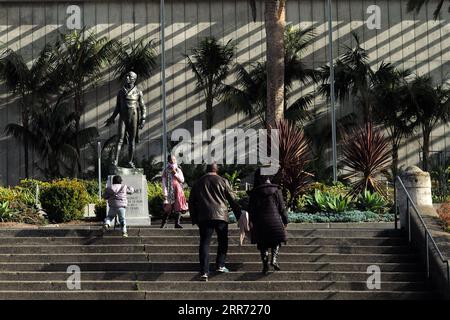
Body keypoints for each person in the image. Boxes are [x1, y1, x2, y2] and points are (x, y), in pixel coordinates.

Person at [189, 163, 242, 281]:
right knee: (223, 241)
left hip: (204, 216)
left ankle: (204, 272)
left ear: (206, 170)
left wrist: (194, 218)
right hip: (221, 216)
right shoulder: (223, 181)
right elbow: (232, 199)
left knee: (204, 243)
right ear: (216, 170)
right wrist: (239, 216)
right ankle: (220, 265)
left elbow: (191, 202)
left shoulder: (198, 182)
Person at [248, 168, 288, 274]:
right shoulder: (276, 190)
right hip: (275, 221)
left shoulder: (255, 192)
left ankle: (265, 265)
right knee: (277, 240)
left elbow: (251, 209)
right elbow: (282, 208)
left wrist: (251, 222)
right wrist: (285, 220)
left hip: (260, 223)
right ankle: (274, 259)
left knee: (262, 244)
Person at [105, 71, 146, 169]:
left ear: (134, 79)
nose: (127, 77)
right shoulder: (121, 91)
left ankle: (130, 162)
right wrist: (112, 118)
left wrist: (143, 118)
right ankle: (115, 161)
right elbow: (118, 107)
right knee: (120, 139)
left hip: (134, 117)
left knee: (132, 140)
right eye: (126, 75)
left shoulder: (138, 92)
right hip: (123, 117)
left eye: (129, 76)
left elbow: (142, 106)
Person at [161, 155, 188, 229]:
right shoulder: (166, 170)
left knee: (178, 206)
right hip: (169, 190)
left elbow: (182, 180)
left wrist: (175, 172)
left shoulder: (178, 169)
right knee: (168, 208)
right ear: (168, 160)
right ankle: (163, 223)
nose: (173, 161)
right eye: (171, 159)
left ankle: (177, 223)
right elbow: (163, 182)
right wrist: (165, 192)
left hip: (178, 190)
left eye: (174, 159)